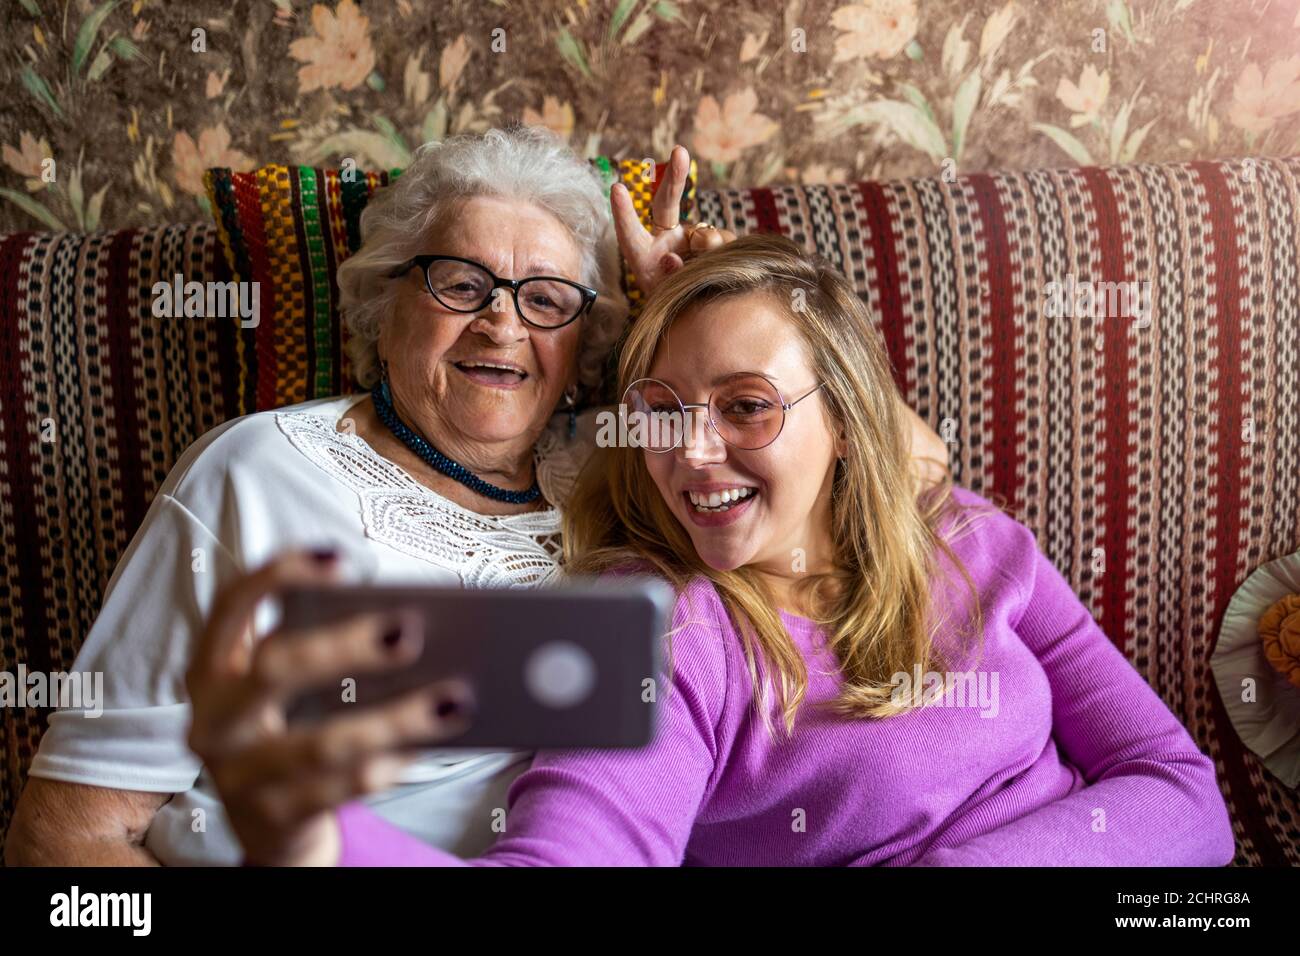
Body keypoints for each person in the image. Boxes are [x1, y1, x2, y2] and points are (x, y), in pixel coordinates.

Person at [6, 128, 948, 866]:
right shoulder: (257, 475)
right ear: (383, 308)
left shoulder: (630, 467)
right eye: (462, 283)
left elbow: (908, 471)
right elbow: (67, 839)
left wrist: (703, 301)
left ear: (584, 346)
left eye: (545, 299)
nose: (502, 320)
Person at [184, 234, 1236, 867]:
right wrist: (318, 836)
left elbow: (1185, 794)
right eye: (661, 408)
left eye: (745, 405)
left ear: (849, 415)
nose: (690, 453)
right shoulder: (663, 623)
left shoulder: (977, 540)